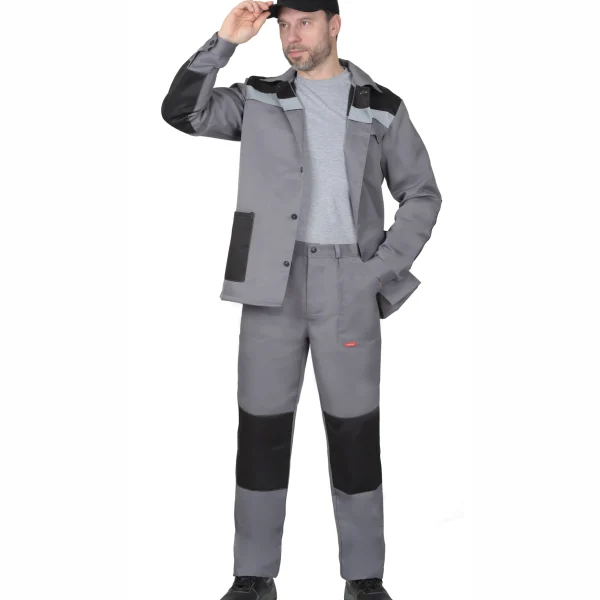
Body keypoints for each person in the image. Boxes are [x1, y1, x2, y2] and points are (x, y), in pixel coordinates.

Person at [161, 1, 442, 598]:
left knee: (354, 432)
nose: (292, 36)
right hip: (270, 284)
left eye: (305, 23)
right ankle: (253, 576)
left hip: (350, 285)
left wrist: (378, 271)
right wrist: (225, 40)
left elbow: (422, 193)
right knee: (260, 431)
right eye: (284, 25)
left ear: (334, 25)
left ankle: (364, 579)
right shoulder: (258, 97)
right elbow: (182, 112)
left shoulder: (382, 105)